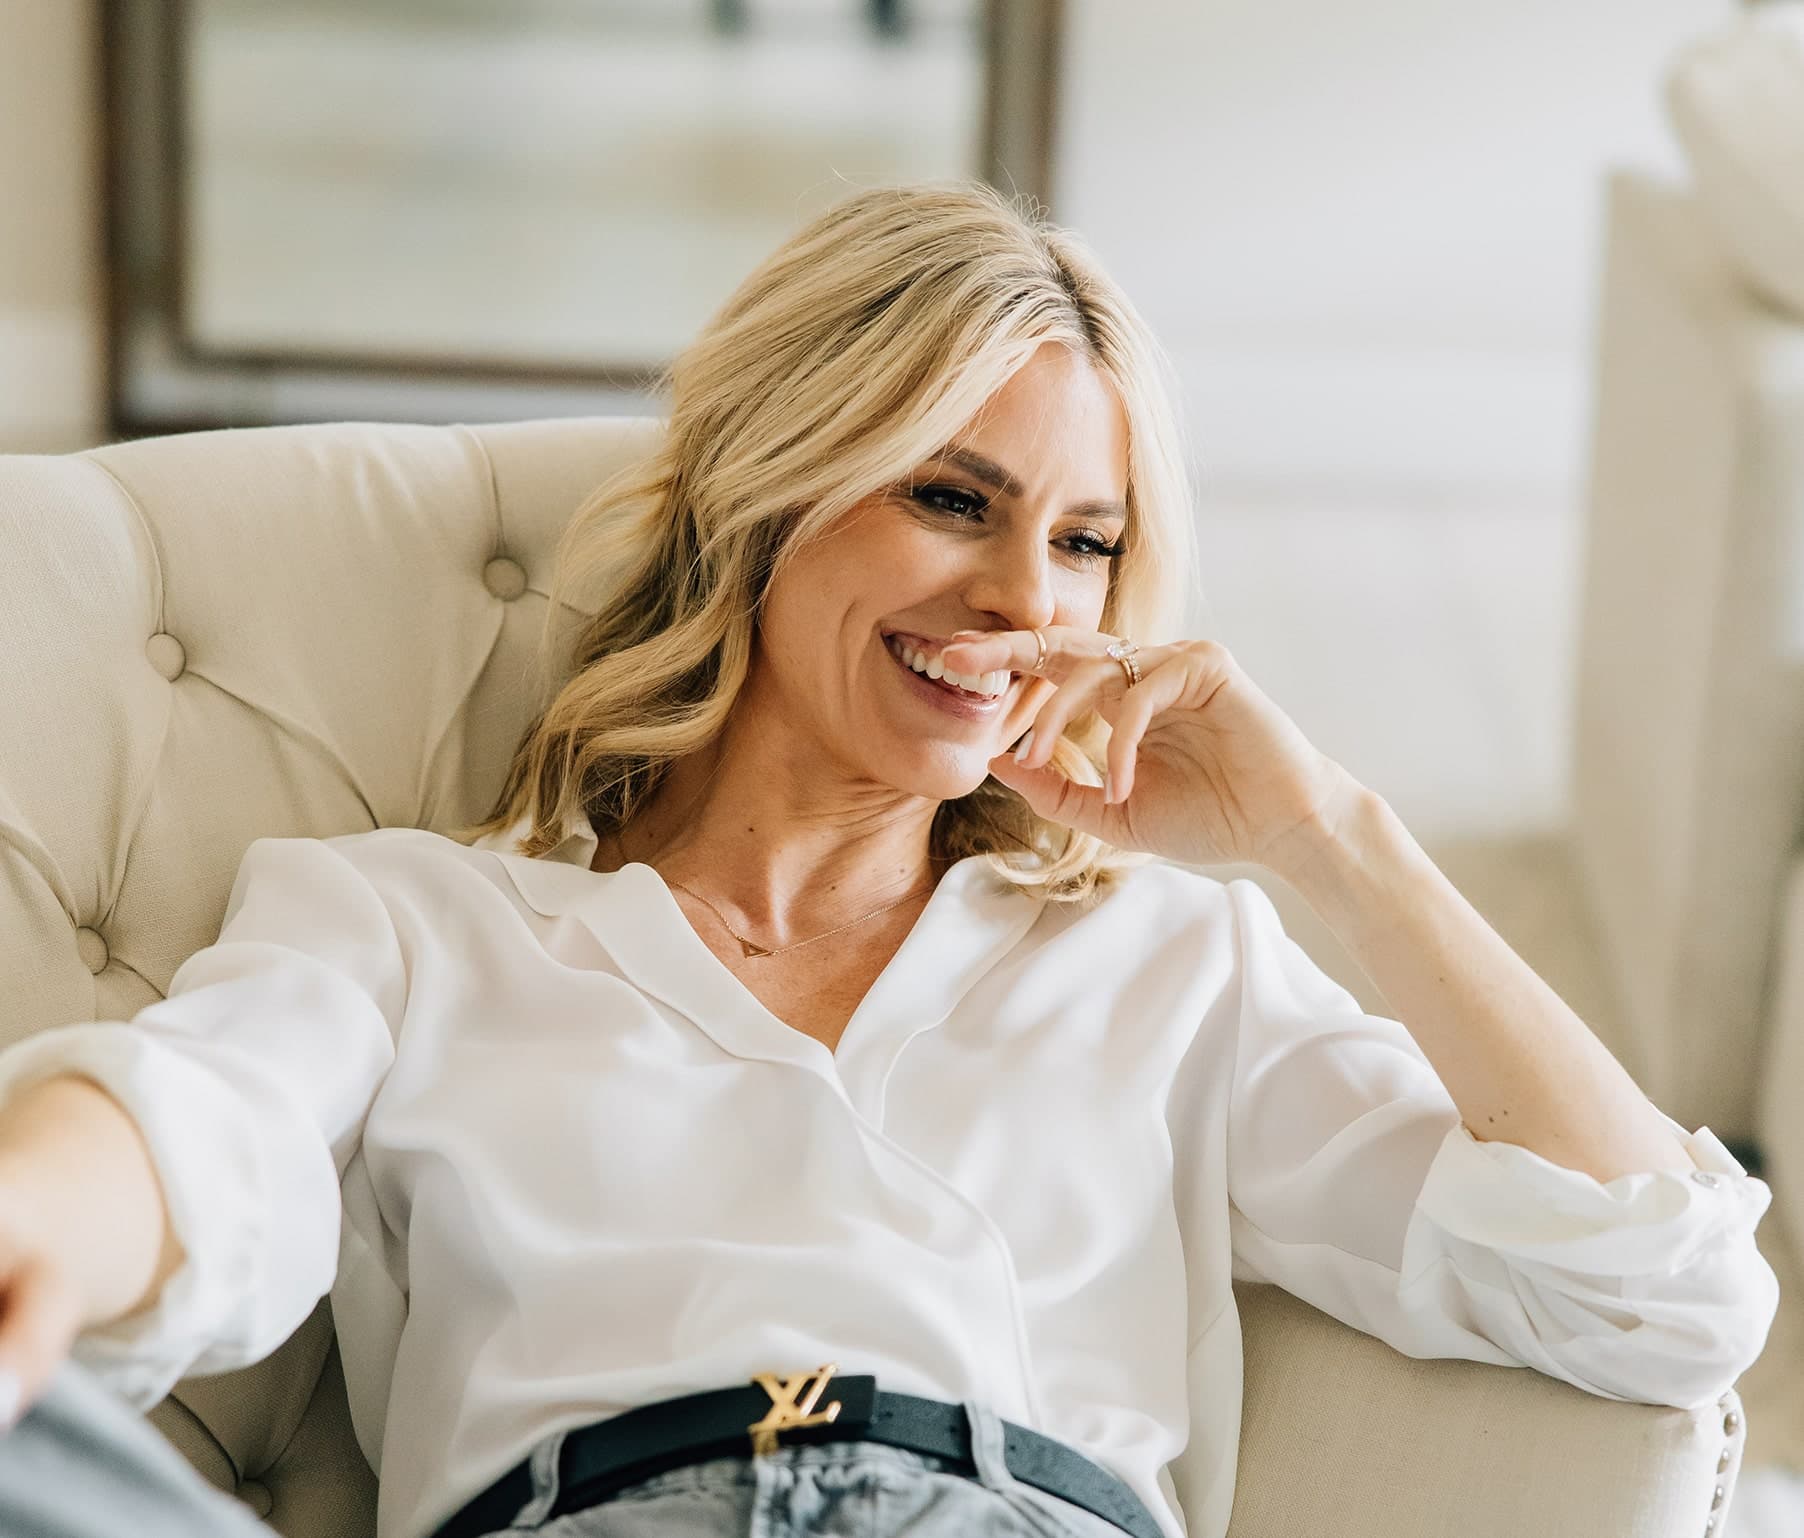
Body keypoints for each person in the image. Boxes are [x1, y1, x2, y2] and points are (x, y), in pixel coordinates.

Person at [0, 181, 1779, 1538]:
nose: (1019, 599)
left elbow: (1670, 1294)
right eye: (952, 497)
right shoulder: (417, 921)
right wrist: (31, 1217)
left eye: (1084, 543)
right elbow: (195, 1125)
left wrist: (1333, 835)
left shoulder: (1165, 968)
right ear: (770, 486)